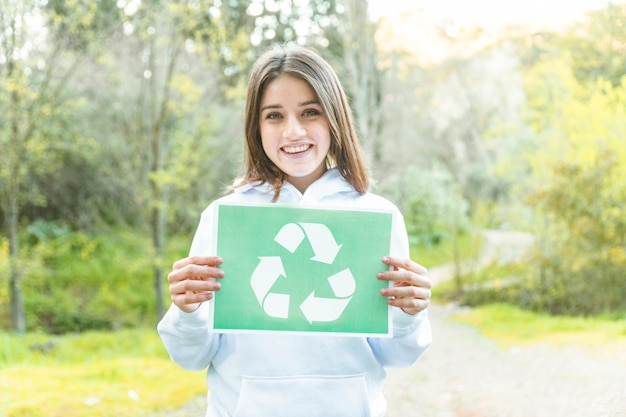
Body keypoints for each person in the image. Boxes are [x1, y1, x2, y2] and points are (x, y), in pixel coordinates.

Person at [157, 45, 432, 417]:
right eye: (274, 115)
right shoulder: (225, 217)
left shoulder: (376, 218)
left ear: (335, 118)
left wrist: (409, 315)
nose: (293, 130)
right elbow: (191, 357)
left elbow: (398, 356)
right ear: (256, 127)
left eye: (310, 112)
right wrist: (187, 311)